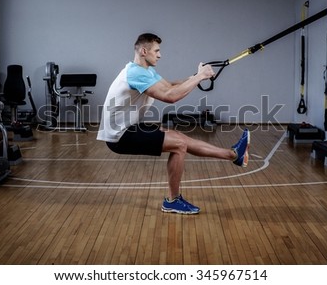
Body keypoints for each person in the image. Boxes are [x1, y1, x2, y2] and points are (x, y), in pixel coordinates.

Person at [97, 33, 250, 214]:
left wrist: (197, 76)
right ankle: (172, 200)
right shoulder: (136, 73)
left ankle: (234, 155)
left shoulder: (145, 70)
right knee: (179, 145)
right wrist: (199, 77)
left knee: (179, 138)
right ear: (144, 51)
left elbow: (169, 86)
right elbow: (171, 97)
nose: (160, 55)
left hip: (128, 128)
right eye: (157, 50)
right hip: (119, 136)